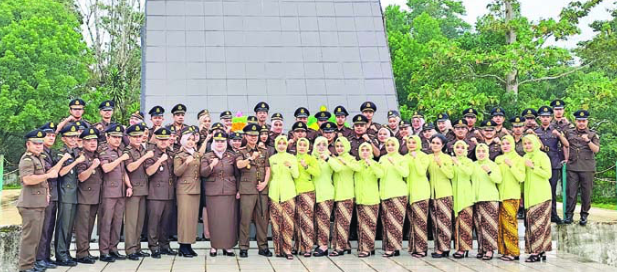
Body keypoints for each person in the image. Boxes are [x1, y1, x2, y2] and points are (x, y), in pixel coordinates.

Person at [17, 129, 58, 272]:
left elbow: (41, 179)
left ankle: (32, 264)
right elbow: (28, 179)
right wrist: (47, 176)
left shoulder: (39, 157)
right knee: (30, 239)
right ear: (28, 144)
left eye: (40, 143)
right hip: (30, 205)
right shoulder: (27, 159)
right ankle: (25, 267)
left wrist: (47, 192)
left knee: (36, 237)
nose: (39, 146)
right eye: (35, 143)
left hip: (39, 203)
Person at [236, 124, 272, 258]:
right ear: (245, 136)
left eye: (255, 136)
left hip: (261, 189)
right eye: (251, 135)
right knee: (245, 219)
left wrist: (265, 183)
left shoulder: (264, 151)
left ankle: (263, 247)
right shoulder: (241, 151)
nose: (253, 138)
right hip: (247, 190)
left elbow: (268, 168)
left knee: (262, 219)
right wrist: (251, 158)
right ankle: (244, 247)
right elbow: (239, 165)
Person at [35, 123, 68, 269]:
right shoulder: (42, 153)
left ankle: (46, 256)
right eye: (48, 135)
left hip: (53, 193)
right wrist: (63, 160)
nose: (51, 138)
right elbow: (52, 173)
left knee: (49, 228)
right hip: (45, 194)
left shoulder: (49, 152)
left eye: (53, 135)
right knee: (43, 228)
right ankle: (40, 258)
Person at [201, 131, 239, 257]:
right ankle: (214, 246)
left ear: (226, 143)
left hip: (229, 190)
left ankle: (228, 247)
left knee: (229, 220)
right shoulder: (207, 156)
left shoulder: (231, 156)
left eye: (222, 141)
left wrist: (238, 190)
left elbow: (237, 174)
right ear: (213, 143)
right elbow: (203, 173)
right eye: (217, 141)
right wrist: (212, 164)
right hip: (213, 191)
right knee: (214, 219)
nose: (219, 144)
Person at [144, 128, 177, 258]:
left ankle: (164, 245)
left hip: (169, 192)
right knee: (154, 221)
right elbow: (149, 172)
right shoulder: (151, 153)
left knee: (166, 221)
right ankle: (153, 246)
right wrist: (159, 160)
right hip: (155, 193)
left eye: (166, 139)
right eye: (161, 139)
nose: (163, 142)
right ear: (156, 140)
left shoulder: (171, 153)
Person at [99, 124, 130, 262]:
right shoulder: (104, 151)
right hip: (109, 192)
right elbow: (106, 168)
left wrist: (129, 186)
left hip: (121, 191)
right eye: (115, 137)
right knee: (106, 222)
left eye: (119, 137)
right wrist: (120, 159)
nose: (118, 140)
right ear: (107, 137)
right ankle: (104, 251)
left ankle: (114, 248)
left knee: (117, 222)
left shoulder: (120, 151)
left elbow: (123, 172)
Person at [564, 110, 600, 225]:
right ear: (575, 121)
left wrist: (588, 140)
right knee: (571, 192)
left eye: (583, 121)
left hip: (587, 168)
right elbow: (564, 145)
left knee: (586, 193)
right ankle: (569, 215)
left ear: (587, 121)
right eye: (579, 121)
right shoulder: (569, 132)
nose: (581, 123)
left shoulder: (593, 134)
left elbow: (596, 150)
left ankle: (584, 215)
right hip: (573, 167)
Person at [55, 124, 84, 267]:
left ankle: (66, 252)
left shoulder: (74, 152)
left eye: (75, 136)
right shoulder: (62, 153)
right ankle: (60, 255)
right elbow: (61, 172)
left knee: (70, 225)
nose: (73, 139)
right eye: (70, 137)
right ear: (63, 139)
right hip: (65, 192)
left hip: (73, 193)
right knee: (63, 225)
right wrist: (77, 162)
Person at [535, 106, 569, 223]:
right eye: (543, 116)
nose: (545, 119)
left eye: (547, 116)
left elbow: (566, 144)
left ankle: (553, 214)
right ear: (539, 118)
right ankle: (540, 214)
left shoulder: (556, 129)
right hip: (539, 165)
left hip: (553, 163)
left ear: (551, 117)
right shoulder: (535, 131)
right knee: (539, 190)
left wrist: (559, 135)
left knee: (552, 190)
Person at [124, 124, 153, 260]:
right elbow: (130, 167)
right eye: (135, 136)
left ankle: (137, 247)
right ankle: (130, 250)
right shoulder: (128, 151)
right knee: (131, 222)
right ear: (129, 137)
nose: (138, 139)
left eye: (140, 136)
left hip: (143, 189)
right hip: (133, 190)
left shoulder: (143, 149)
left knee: (140, 222)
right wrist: (145, 157)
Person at [522, 134, 553, 262]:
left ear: (536, 143)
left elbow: (548, 174)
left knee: (539, 226)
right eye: (525, 144)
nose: (527, 146)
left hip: (542, 196)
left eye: (530, 143)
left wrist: (533, 167)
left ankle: (536, 252)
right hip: (529, 197)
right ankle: (540, 251)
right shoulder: (524, 157)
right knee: (531, 225)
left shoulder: (542, 156)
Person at [268, 135, 300, 260]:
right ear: (276, 145)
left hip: (288, 193)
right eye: (279, 143)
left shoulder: (291, 158)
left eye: (283, 143)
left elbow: (296, 175)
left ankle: (288, 249)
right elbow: (269, 177)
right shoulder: (272, 158)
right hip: (274, 193)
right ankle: (277, 249)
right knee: (276, 223)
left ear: (287, 145)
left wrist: (290, 166)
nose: (281, 145)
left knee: (288, 222)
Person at [328, 137, 361, 256]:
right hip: (337, 194)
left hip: (347, 194)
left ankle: (340, 248)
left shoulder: (351, 159)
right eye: (337, 146)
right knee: (338, 221)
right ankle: (345, 245)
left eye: (342, 146)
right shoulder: (335, 159)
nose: (339, 148)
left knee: (343, 222)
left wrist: (346, 162)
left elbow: (358, 168)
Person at [74, 128, 102, 264]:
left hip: (95, 196)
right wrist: (92, 167)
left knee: (90, 226)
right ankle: (81, 253)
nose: (92, 143)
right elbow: (81, 177)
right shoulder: (82, 157)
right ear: (83, 142)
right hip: (84, 197)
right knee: (82, 227)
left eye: (95, 140)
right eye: (89, 140)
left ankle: (86, 251)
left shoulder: (95, 155)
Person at [495, 135, 525, 261]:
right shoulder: (498, 159)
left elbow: (521, 178)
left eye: (508, 143)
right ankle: (504, 251)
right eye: (503, 144)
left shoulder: (518, 159)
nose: (505, 146)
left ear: (513, 144)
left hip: (512, 195)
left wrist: (511, 165)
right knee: (501, 225)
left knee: (510, 224)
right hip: (499, 196)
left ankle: (514, 252)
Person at [173, 127, 201, 257]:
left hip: (195, 189)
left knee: (192, 218)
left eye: (192, 139)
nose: (191, 141)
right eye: (188, 139)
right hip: (184, 189)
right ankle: (182, 246)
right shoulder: (180, 155)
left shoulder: (196, 154)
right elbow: (177, 172)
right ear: (183, 141)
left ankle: (189, 245)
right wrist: (186, 163)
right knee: (184, 218)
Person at [379, 137, 409, 257]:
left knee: (395, 222)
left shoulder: (402, 159)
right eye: (388, 145)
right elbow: (381, 174)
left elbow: (405, 173)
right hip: (385, 193)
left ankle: (392, 248)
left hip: (398, 194)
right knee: (386, 222)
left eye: (392, 145)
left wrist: (395, 163)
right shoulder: (382, 158)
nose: (390, 147)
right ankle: (393, 247)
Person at [472, 144, 502, 261]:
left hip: (490, 198)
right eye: (478, 151)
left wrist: (489, 171)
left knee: (489, 225)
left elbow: (498, 180)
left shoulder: (492, 165)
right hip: (476, 199)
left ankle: (489, 250)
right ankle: (481, 249)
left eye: (483, 151)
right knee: (479, 225)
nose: (480, 153)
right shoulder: (473, 165)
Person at [354, 142, 383, 258]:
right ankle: (364, 247)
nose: (365, 152)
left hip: (371, 199)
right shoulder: (357, 164)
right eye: (362, 150)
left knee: (369, 224)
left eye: (367, 150)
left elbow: (380, 174)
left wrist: (371, 164)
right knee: (361, 225)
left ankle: (367, 249)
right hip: (360, 199)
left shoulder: (375, 164)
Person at [292, 138, 320, 257]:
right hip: (294, 191)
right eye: (300, 145)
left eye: (304, 145)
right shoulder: (292, 158)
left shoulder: (311, 158)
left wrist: (306, 166)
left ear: (308, 147)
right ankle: (298, 246)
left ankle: (308, 247)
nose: (302, 147)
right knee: (296, 219)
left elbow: (317, 173)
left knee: (307, 220)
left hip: (307, 191)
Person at [427, 134, 454, 258]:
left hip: (444, 193)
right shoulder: (428, 158)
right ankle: (439, 247)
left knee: (445, 222)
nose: (435, 145)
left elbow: (450, 175)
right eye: (433, 142)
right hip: (432, 194)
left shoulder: (447, 158)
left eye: (438, 143)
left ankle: (444, 248)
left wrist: (440, 165)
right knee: (435, 223)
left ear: (443, 145)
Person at [404, 135, 430, 258]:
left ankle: (422, 249)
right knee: (412, 222)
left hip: (421, 192)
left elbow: (421, 172)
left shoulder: (424, 156)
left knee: (420, 222)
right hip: (409, 192)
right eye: (409, 142)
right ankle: (414, 247)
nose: (411, 144)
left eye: (414, 142)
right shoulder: (404, 157)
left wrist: (416, 159)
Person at [312, 136, 335, 257]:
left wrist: (328, 158)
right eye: (318, 144)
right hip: (312, 193)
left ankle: (324, 245)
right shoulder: (311, 158)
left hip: (326, 193)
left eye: (324, 144)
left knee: (324, 220)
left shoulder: (330, 159)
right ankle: (318, 242)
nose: (321, 147)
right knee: (315, 220)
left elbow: (338, 168)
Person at [451, 141, 474, 259]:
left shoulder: (469, 162)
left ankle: (465, 248)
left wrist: (458, 163)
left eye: (462, 147)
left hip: (466, 196)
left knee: (466, 224)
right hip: (455, 195)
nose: (459, 149)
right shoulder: (452, 162)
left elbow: (469, 173)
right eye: (457, 147)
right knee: (457, 224)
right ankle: (458, 248)